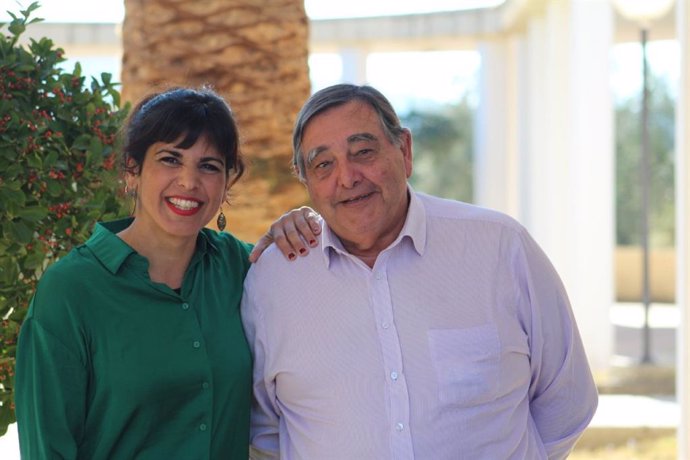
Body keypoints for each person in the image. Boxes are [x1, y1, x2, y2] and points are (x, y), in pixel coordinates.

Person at [241, 84, 599, 459]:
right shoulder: (275, 280)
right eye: (323, 164)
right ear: (306, 180)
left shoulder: (501, 248)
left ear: (405, 151)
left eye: (363, 152)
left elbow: (567, 400)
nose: (347, 178)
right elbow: (265, 430)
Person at [14, 86, 320, 460]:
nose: (189, 182)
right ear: (133, 169)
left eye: (209, 166)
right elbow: (47, 448)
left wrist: (309, 223)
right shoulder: (71, 290)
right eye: (170, 159)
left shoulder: (243, 268)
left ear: (227, 182)